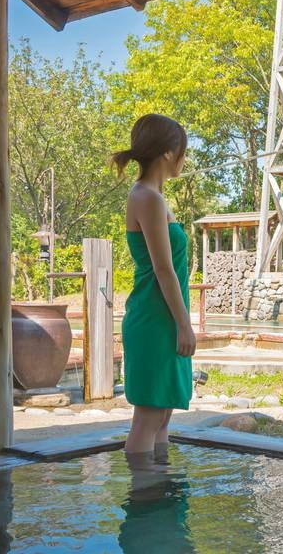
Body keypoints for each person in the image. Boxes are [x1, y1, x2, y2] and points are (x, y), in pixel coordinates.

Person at [111, 113, 196, 464]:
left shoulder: (155, 197)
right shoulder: (146, 197)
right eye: (182, 152)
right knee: (148, 417)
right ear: (167, 154)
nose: (184, 160)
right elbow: (163, 270)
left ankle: (160, 504)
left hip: (164, 317)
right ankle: (144, 506)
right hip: (155, 317)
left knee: (163, 414)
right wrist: (184, 323)